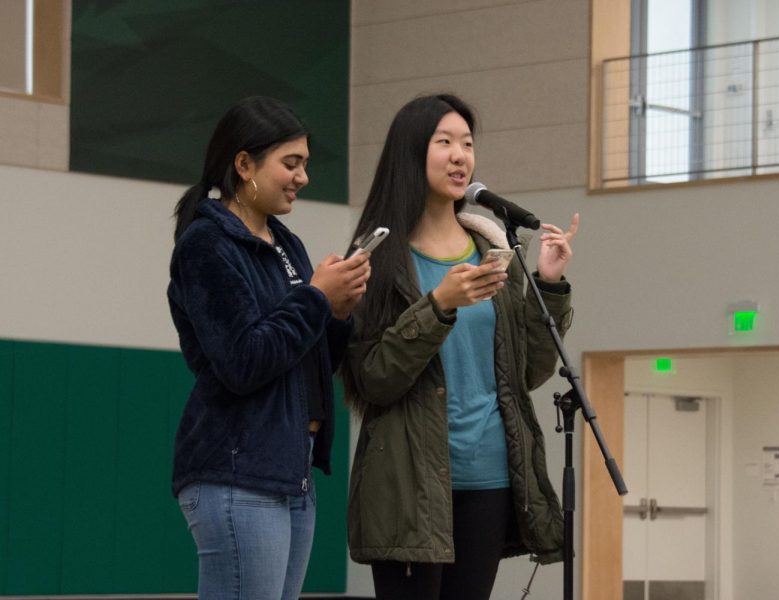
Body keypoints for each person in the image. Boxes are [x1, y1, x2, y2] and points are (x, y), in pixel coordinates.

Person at [341, 93, 580, 600]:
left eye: (467, 144)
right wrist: (439, 306)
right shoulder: (378, 257)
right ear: (411, 153)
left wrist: (549, 284)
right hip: (411, 485)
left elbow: (526, 372)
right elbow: (373, 378)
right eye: (444, 142)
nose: (460, 156)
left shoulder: (494, 253)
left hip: (490, 478)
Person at [167, 96, 370, 599]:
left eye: (305, 164)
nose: (303, 177)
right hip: (238, 472)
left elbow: (310, 354)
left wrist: (337, 312)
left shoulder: (286, 244)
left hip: (290, 470)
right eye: (291, 163)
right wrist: (316, 297)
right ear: (243, 164)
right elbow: (243, 361)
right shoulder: (206, 244)